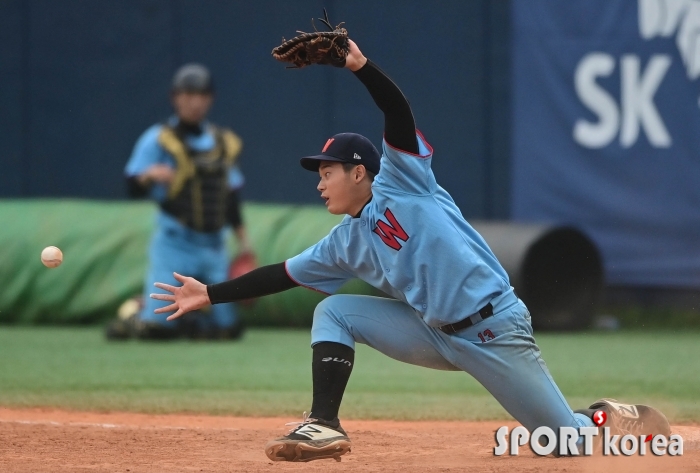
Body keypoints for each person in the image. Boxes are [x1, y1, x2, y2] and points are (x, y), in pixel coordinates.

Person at [149, 42, 670, 460]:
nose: (320, 183)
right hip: (433, 333)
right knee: (334, 310)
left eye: (327, 172)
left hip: (493, 328)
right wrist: (210, 294)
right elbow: (281, 274)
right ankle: (323, 425)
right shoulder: (345, 241)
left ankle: (601, 415)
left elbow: (396, 111)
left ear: (359, 171)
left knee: (567, 444)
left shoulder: (403, 181)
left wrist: (359, 66)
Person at [119, 63, 251, 340]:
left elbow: (230, 199)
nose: (194, 102)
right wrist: (148, 176)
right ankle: (132, 313)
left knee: (228, 330)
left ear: (210, 99)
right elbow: (131, 187)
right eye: (187, 94)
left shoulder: (223, 143)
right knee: (157, 330)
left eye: (201, 95)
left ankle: (194, 316)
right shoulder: (158, 139)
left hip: (214, 247)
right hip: (175, 245)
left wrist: (245, 244)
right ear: (175, 98)